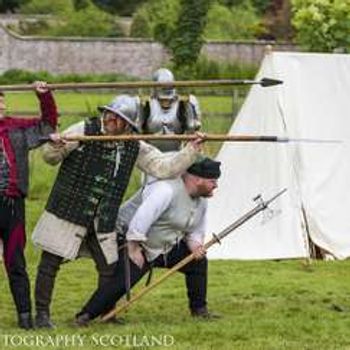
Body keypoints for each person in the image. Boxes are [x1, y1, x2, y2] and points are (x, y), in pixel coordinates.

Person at [32, 94, 204, 329]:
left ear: (128, 124)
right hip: (68, 210)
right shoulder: (84, 129)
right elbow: (50, 158)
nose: (111, 119)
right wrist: (55, 145)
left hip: (102, 217)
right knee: (50, 261)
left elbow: (163, 168)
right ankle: (42, 315)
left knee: (110, 268)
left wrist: (190, 150)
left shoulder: (134, 143)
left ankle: (107, 311)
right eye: (110, 114)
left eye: (119, 118)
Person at [74, 156, 221, 326]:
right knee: (124, 280)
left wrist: (196, 247)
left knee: (198, 262)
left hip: (165, 246)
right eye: (212, 181)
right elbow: (141, 219)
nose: (216, 185)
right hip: (131, 239)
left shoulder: (201, 201)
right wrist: (134, 249)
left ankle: (199, 310)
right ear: (197, 179)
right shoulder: (166, 190)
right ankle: (85, 315)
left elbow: (195, 231)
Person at [0, 82, 58, 329]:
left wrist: (44, 96)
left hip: (12, 205)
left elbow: (47, 124)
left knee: (15, 261)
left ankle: (25, 317)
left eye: (2, 101)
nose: (2, 105)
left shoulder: (16, 129)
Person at [139, 67, 201, 152]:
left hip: (176, 155)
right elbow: (137, 130)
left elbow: (192, 128)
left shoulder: (183, 104)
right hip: (150, 155)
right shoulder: (145, 104)